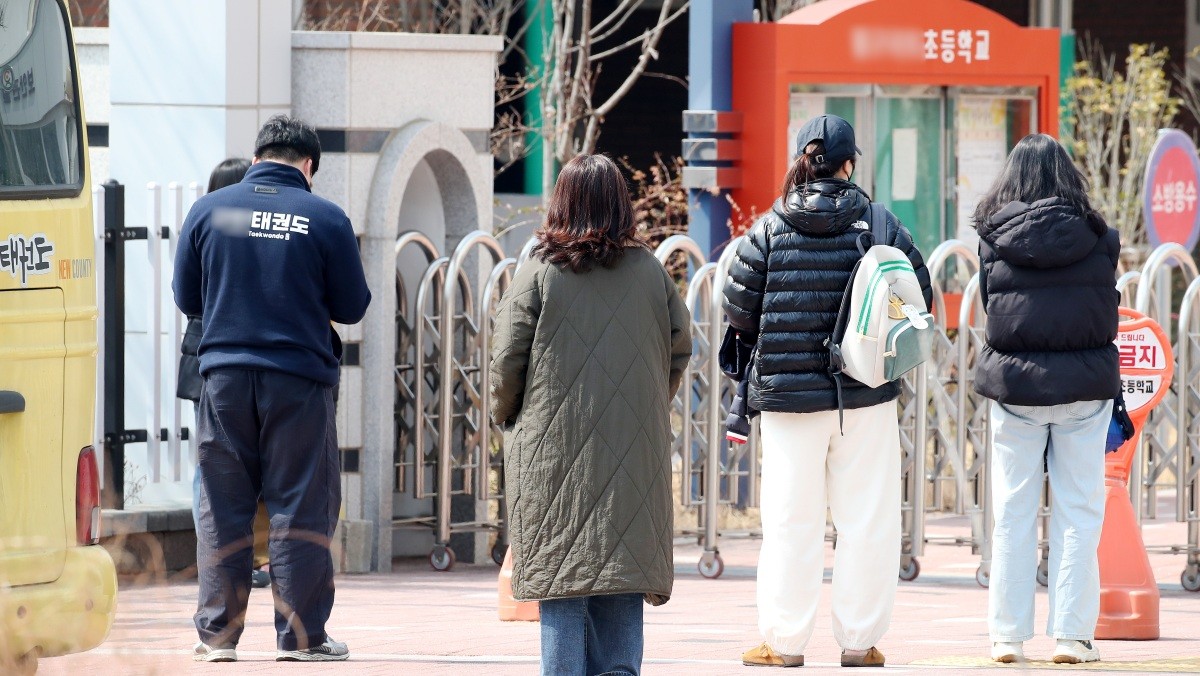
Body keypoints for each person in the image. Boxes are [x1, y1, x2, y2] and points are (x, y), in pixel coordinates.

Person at [724, 114, 932, 668]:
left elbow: (738, 306)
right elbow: (919, 295)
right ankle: (860, 642)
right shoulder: (881, 224)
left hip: (788, 402)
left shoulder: (769, 227)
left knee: (790, 523)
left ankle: (784, 643)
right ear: (849, 164)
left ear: (803, 159)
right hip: (863, 394)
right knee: (866, 520)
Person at [173, 115, 371, 663]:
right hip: (298, 381)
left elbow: (187, 297)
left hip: (224, 380)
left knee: (222, 505)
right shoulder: (325, 217)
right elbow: (352, 306)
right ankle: (301, 639)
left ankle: (217, 637)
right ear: (308, 166)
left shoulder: (208, 211)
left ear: (257, 157)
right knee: (300, 504)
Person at [489, 154, 692, 676]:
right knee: (621, 570)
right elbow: (679, 348)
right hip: (634, 449)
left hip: (551, 451)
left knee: (561, 577)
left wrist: (507, 417)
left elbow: (506, 361)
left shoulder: (539, 270)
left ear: (563, 201)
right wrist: (646, 404)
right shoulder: (650, 272)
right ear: (621, 204)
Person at [972, 133, 1119, 665]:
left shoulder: (993, 239)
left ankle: (1007, 637)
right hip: (1084, 385)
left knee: (1012, 510)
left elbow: (991, 305)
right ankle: (1072, 638)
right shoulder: (1100, 237)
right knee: (1079, 510)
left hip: (1016, 387)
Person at [179, 157, 271, 591]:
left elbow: (186, 294)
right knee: (216, 466)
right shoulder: (230, 232)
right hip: (219, 360)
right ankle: (221, 559)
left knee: (212, 462)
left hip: (206, 357)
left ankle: (222, 560)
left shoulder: (205, 227)